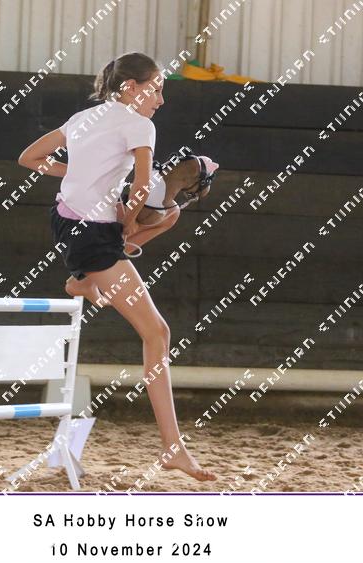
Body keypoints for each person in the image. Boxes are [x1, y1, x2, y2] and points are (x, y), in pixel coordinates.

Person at [18, 51, 216, 482]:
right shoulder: (140, 124)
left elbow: (29, 159)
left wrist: (80, 174)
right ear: (130, 87)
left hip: (65, 221)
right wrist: (127, 222)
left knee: (170, 215)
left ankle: (83, 281)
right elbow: (142, 185)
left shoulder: (82, 118)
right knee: (157, 333)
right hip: (94, 235)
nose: (160, 99)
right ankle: (173, 449)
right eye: (156, 89)